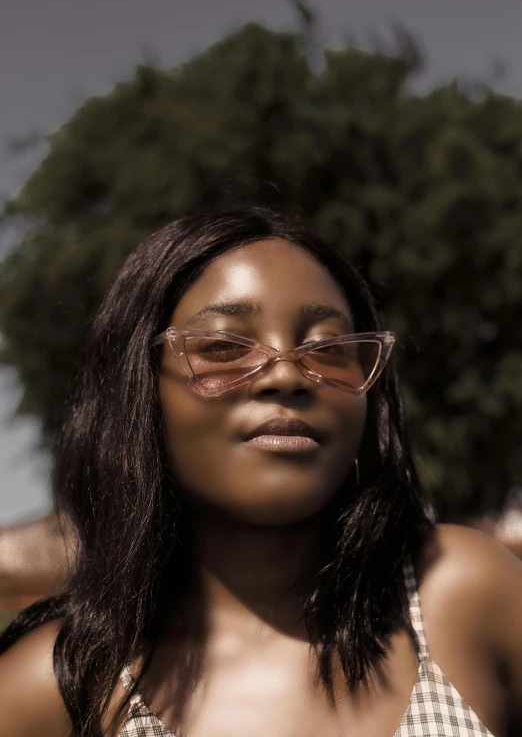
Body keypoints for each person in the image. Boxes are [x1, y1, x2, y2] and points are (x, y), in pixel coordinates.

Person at [0, 206, 520, 737]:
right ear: (138, 393)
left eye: (327, 349)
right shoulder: (57, 691)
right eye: (224, 346)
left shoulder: (462, 593)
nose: (289, 375)